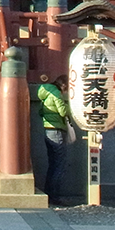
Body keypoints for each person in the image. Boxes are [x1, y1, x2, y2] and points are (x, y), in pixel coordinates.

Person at [38, 75, 72, 206]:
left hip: (47, 129)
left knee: (53, 164)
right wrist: (72, 108)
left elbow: (41, 112)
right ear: (63, 85)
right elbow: (63, 111)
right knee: (59, 164)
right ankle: (55, 195)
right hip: (56, 130)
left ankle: (49, 193)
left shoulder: (45, 92)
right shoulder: (55, 93)